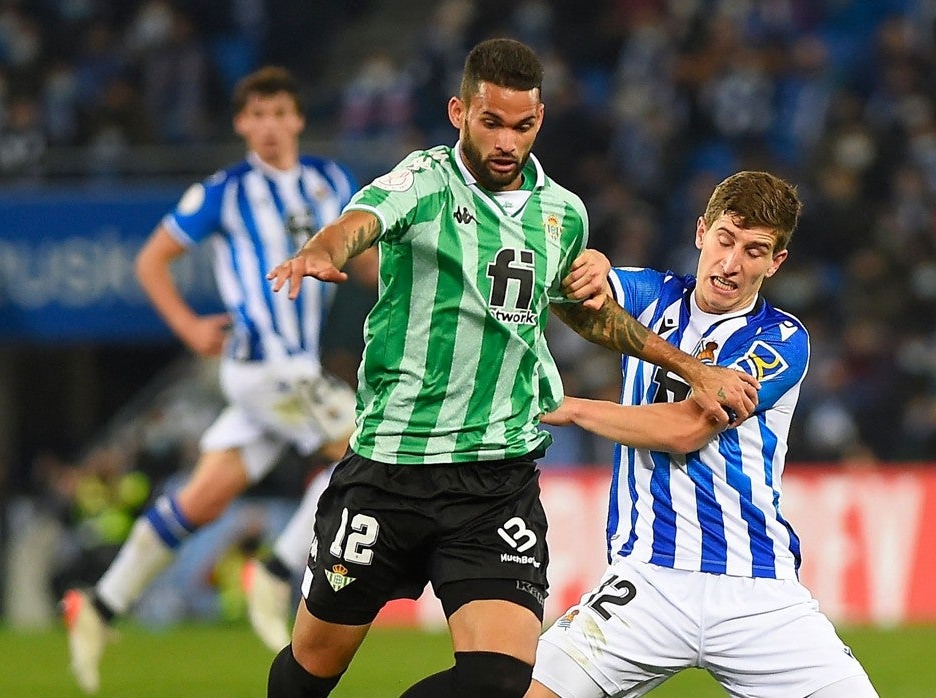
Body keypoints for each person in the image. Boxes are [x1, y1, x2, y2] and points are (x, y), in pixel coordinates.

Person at [263, 38, 759, 698]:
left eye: (521, 126)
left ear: (540, 121)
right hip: (389, 469)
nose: (506, 141)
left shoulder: (562, 213)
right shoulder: (425, 179)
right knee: (313, 665)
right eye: (490, 122)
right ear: (458, 112)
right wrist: (322, 249)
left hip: (495, 480)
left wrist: (692, 369)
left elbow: (587, 316)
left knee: (500, 682)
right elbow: (359, 221)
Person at [63, 66, 368, 694]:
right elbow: (152, 259)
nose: (270, 127)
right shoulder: (223, 192)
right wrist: (187, 326)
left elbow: (365, 258)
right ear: (240, 124)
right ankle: (280, 570)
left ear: (298, 119)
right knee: (368, 452)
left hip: (295, 369)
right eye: (257, 115)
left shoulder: (331, 181)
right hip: (262, 364)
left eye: (280, 113)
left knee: (203, 499)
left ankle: (100, 604)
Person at [529, 171, 879, 698]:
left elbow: (688, 429)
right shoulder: (654, 296)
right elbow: (573, 292)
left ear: (775, 263)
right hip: (647, 582)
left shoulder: (781, 339)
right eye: (725, 239)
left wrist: (575, 409)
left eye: (755, 250)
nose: (731, 263)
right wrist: (590, 264)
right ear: (701, 232)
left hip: (757, 593)